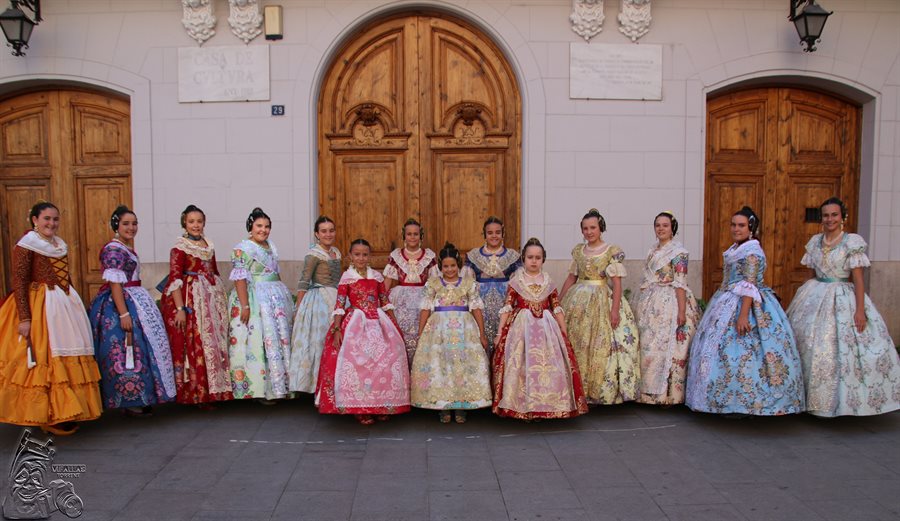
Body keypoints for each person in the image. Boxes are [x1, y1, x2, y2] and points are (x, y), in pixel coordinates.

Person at [686, 206, 805, 416]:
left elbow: (749, 285)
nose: (736, 229)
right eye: (733, 225)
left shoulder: (752, 252)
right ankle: (719, 399)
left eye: (741, 225)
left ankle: (748, 403)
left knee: (748, 353)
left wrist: (743, 315)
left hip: (747, 304)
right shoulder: (737, 248)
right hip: (727, 299)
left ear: (751, 227)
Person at [787, 197, 900, 417]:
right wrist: (804, 298)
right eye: (826, 215)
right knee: (808, 347)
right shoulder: (815, 242)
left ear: (843, 217)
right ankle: (809, 399)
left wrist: (859, 310)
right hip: (815, 294)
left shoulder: (851, 243)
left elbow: (857, 280)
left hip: (842, 297)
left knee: (841, 351)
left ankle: (840, 403)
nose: (830, 219)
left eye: (834, 215)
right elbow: (812, 275)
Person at [0, 202, 101, 435]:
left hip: (63, 303)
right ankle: (47, 414)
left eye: (55, 219)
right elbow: (19, 282)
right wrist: (24, 318)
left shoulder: (58, 245)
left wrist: (75, 303)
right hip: (40, 306)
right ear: (34, 220)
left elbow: (65, 277)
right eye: (46, 218)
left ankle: (65, 410)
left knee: (69, 353)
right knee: (44, 357)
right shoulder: (26, 245)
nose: (51, 223)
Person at [89, 206, 176, 416]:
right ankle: (128, 399)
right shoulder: (113, 249)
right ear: (116, 225)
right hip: (121, 304)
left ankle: (141, 396)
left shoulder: (124, 247)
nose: (131, 228)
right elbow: (115, 283)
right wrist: (124, 313)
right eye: (126, 224)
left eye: (134, 223)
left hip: (135, 299)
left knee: (141, 349)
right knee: (125, 349)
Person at [316, 239, 410, 425]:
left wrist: (394, 324)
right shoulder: (347, 277)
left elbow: (385, 301)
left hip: (378, 322)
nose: (361, 258)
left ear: (369, 256)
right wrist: (336, 328)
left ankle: (382, 404)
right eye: (357, 254)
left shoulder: (376, 276)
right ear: (350, 256)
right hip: (356, 323)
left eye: (365, 254)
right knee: (359, 363)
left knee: (384, 361)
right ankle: (360, 408)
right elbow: (340, 304)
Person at [492, 238, 588, 420]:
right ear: (523, 259)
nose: (534, 261)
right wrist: (499, 333)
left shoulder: (548, 282)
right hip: (521, 330)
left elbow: (557, 307)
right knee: (521, 366)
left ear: (543, 259)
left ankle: (548, 406)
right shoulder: (516, 281)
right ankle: (523, 406)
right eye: (530, 257)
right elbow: (507, 307)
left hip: (547, 330)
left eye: (538, 257)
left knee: (549, 366)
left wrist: (563, 332)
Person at [560, 209, 640, 405]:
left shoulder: (611, 251)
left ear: (600, 228)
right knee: (578, 341)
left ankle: (601, 390)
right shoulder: (579, 251)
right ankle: (578, 388)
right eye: (585, 228)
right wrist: (559, 301)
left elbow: (617, 283)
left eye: (593, 228)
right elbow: (571, 277)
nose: (589, 232)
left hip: (601, 298)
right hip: (578, 299)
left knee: (600, 341)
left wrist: (614, 310)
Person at [411, 243, 492, 423]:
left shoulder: (470, 284)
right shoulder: (432, 284)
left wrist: (482, 333)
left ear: (459, 265)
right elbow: (425, 309)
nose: (449, 270)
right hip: (438, 331)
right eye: (446, 266)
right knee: (441, 366)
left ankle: (461, 406)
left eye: (453, 266)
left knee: (461, 365)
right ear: (441, 267)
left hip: (464, 330)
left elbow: (477, 309)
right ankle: (443, 405)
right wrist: (420, 333)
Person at [161, 204, 232, 407]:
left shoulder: (208, 244)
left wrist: (220, 299)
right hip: (192, 298)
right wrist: (180, 309)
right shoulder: (179, 247)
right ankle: (197, 393)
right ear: (185, 222)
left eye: (199, 221)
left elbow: (215, 271)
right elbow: (175, 278)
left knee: (213, 343)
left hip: (211, 298)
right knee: (197, 343)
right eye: (191, 221)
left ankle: (215, 390)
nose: (196, 225)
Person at [227, 208, 294, 402]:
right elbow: (240, 279)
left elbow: (275, 272)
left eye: (267, 226)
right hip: (255, 298)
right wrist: (245, 306)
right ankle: (259, 389)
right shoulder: (243, 248)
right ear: (250, 226)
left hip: (274, 297)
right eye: (259, 226)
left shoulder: (270, 246)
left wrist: (284, 298)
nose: (263, 230)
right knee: (258, 340)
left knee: (276, 339)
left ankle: (277, 386)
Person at [635, 211, 701, 406]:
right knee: (649, 345)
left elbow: (680, 283)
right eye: (657, 225)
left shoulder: (679, 252)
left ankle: (667, 394)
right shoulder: (652, 250)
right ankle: (647, 393)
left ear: (672, 228)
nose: (661, 228)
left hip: (671, 301)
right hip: (651, 301)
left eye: (665, 225)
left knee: (668, 346)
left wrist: (681, 312)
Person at [289, 216, 342, 393]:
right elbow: (304, 280)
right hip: (318, 299)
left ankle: (334, 381)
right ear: (317, 234)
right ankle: (315, 385)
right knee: (318, 340)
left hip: (337, 297)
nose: (328, 234)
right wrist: (299, 308)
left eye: (331, 230)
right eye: (324, 231)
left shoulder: (336, 252)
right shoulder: (313, 254)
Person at [462, 216, 521, 353]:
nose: (494, 236)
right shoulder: (474, 255)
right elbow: (466, 284)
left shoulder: (513, 256)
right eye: (490, 233)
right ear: (484, 234)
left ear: (503, 234)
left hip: (505, 304)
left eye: (497, 232)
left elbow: (519, 283)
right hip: (480, 306)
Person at [383, 218, 438, 363]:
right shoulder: (396, 256)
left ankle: (421, 367)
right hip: (402, 300)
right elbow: (387, 281)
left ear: (421, 236)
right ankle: (403, 366)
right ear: (404, 236)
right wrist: (380, 300)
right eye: (409, 234)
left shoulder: (429, 256)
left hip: (423, 299)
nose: (412, 237)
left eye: (415, 234)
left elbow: (435, 282)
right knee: (402, 333)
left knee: (423, 333)